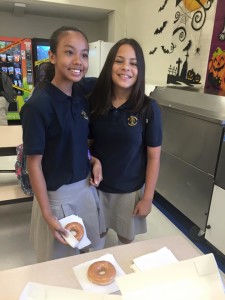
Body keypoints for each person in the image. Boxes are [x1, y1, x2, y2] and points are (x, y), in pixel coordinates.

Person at [20, 26, 106, 262]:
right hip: (58, 197)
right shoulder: (38, 106)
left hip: (86, 190)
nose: (78, 61)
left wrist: (92, 159)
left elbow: (74, 142)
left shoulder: (80, 95)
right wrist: (47, 214)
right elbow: (34, 164)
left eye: (85, 54)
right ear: (52, 56)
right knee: (61, 260)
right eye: (69, 52)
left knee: (92, 252)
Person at [88, 38, 162, 245]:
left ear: (140, 70)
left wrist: (148, 197)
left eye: (133, 63)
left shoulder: (148, 108)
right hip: (97, 188)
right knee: (96, 238)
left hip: (129, 191)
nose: (126, 68)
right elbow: (87, 144)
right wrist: (91, 159)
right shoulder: (95, 102)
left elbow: (154, 157)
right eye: (119, 61)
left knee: (125, 240)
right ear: (110, 65)